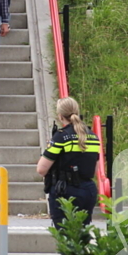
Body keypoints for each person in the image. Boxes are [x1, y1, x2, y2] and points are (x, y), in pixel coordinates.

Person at [37, 96, 100, 228]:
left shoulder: (61, 137)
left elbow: (41, 169)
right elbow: (94, 169)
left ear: (60, 116)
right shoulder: (93, 136)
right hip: (88, 190)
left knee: (65, 235)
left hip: (65, 191)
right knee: (81, 234)